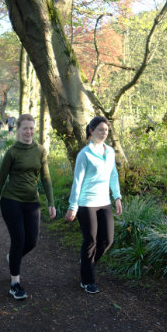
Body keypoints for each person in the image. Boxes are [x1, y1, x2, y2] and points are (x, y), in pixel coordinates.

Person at [0, 114, 57, 300]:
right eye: (25, 128)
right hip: (11, 200)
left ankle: (13, 258)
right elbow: (1, 180)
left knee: (32, 241)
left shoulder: (40, 151)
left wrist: (51, 202)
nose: (28, 132)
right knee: (18, 239)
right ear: (18, 130)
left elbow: (46, 178)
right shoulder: (12, 152)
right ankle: (15, 283)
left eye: (31, 128)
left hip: (31, 201)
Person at [65, 116, 123, 294]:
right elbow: (78, 181)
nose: (104, 133)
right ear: (91, 131)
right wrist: (73, 206)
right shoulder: (84, 154)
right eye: (100, 129)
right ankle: (87, 280)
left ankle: (86, 264)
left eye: (106, 130)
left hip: (104, 201)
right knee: (90, 241)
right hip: (87, 203)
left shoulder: (110, 152)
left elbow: (113, 175)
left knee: (107, 240)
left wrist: (117, 197)